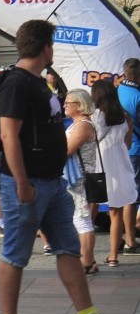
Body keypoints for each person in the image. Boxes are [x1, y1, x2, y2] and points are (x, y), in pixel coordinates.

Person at [0, 19, 135, 314]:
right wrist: (21, 182)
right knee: (15, 254)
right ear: (46, 48)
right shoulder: (17, 84)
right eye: (53, 45)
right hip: (26, 184)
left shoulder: (39, 83)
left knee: (68, 249)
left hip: (52, 183)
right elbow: (7, 135)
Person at [91, 79, 139, 265]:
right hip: (121, 164)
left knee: (90, 209)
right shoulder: (125, 116)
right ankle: (113, 256)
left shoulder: (96, 116)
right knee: (115, 211)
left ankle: (86, 253)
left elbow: (93, 139)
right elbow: (127, 143)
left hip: (100, 165)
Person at [62, 89, 100, 275]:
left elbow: (67, 150)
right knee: (80, 219)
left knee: (82, 220)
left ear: (79, 104)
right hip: (77, 177)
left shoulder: (83, 125)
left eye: (68, 102)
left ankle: (87, 261)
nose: (65, 105)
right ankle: (88, 260)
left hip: (80, 179)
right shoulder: (78, 124)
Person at [116, 58, 140, 235]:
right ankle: (131, 239)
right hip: (136, 150)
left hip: (122, 148)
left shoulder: (117, 90)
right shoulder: (137, 96)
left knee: (127, 195)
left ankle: (129, 237)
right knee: (133, 195)